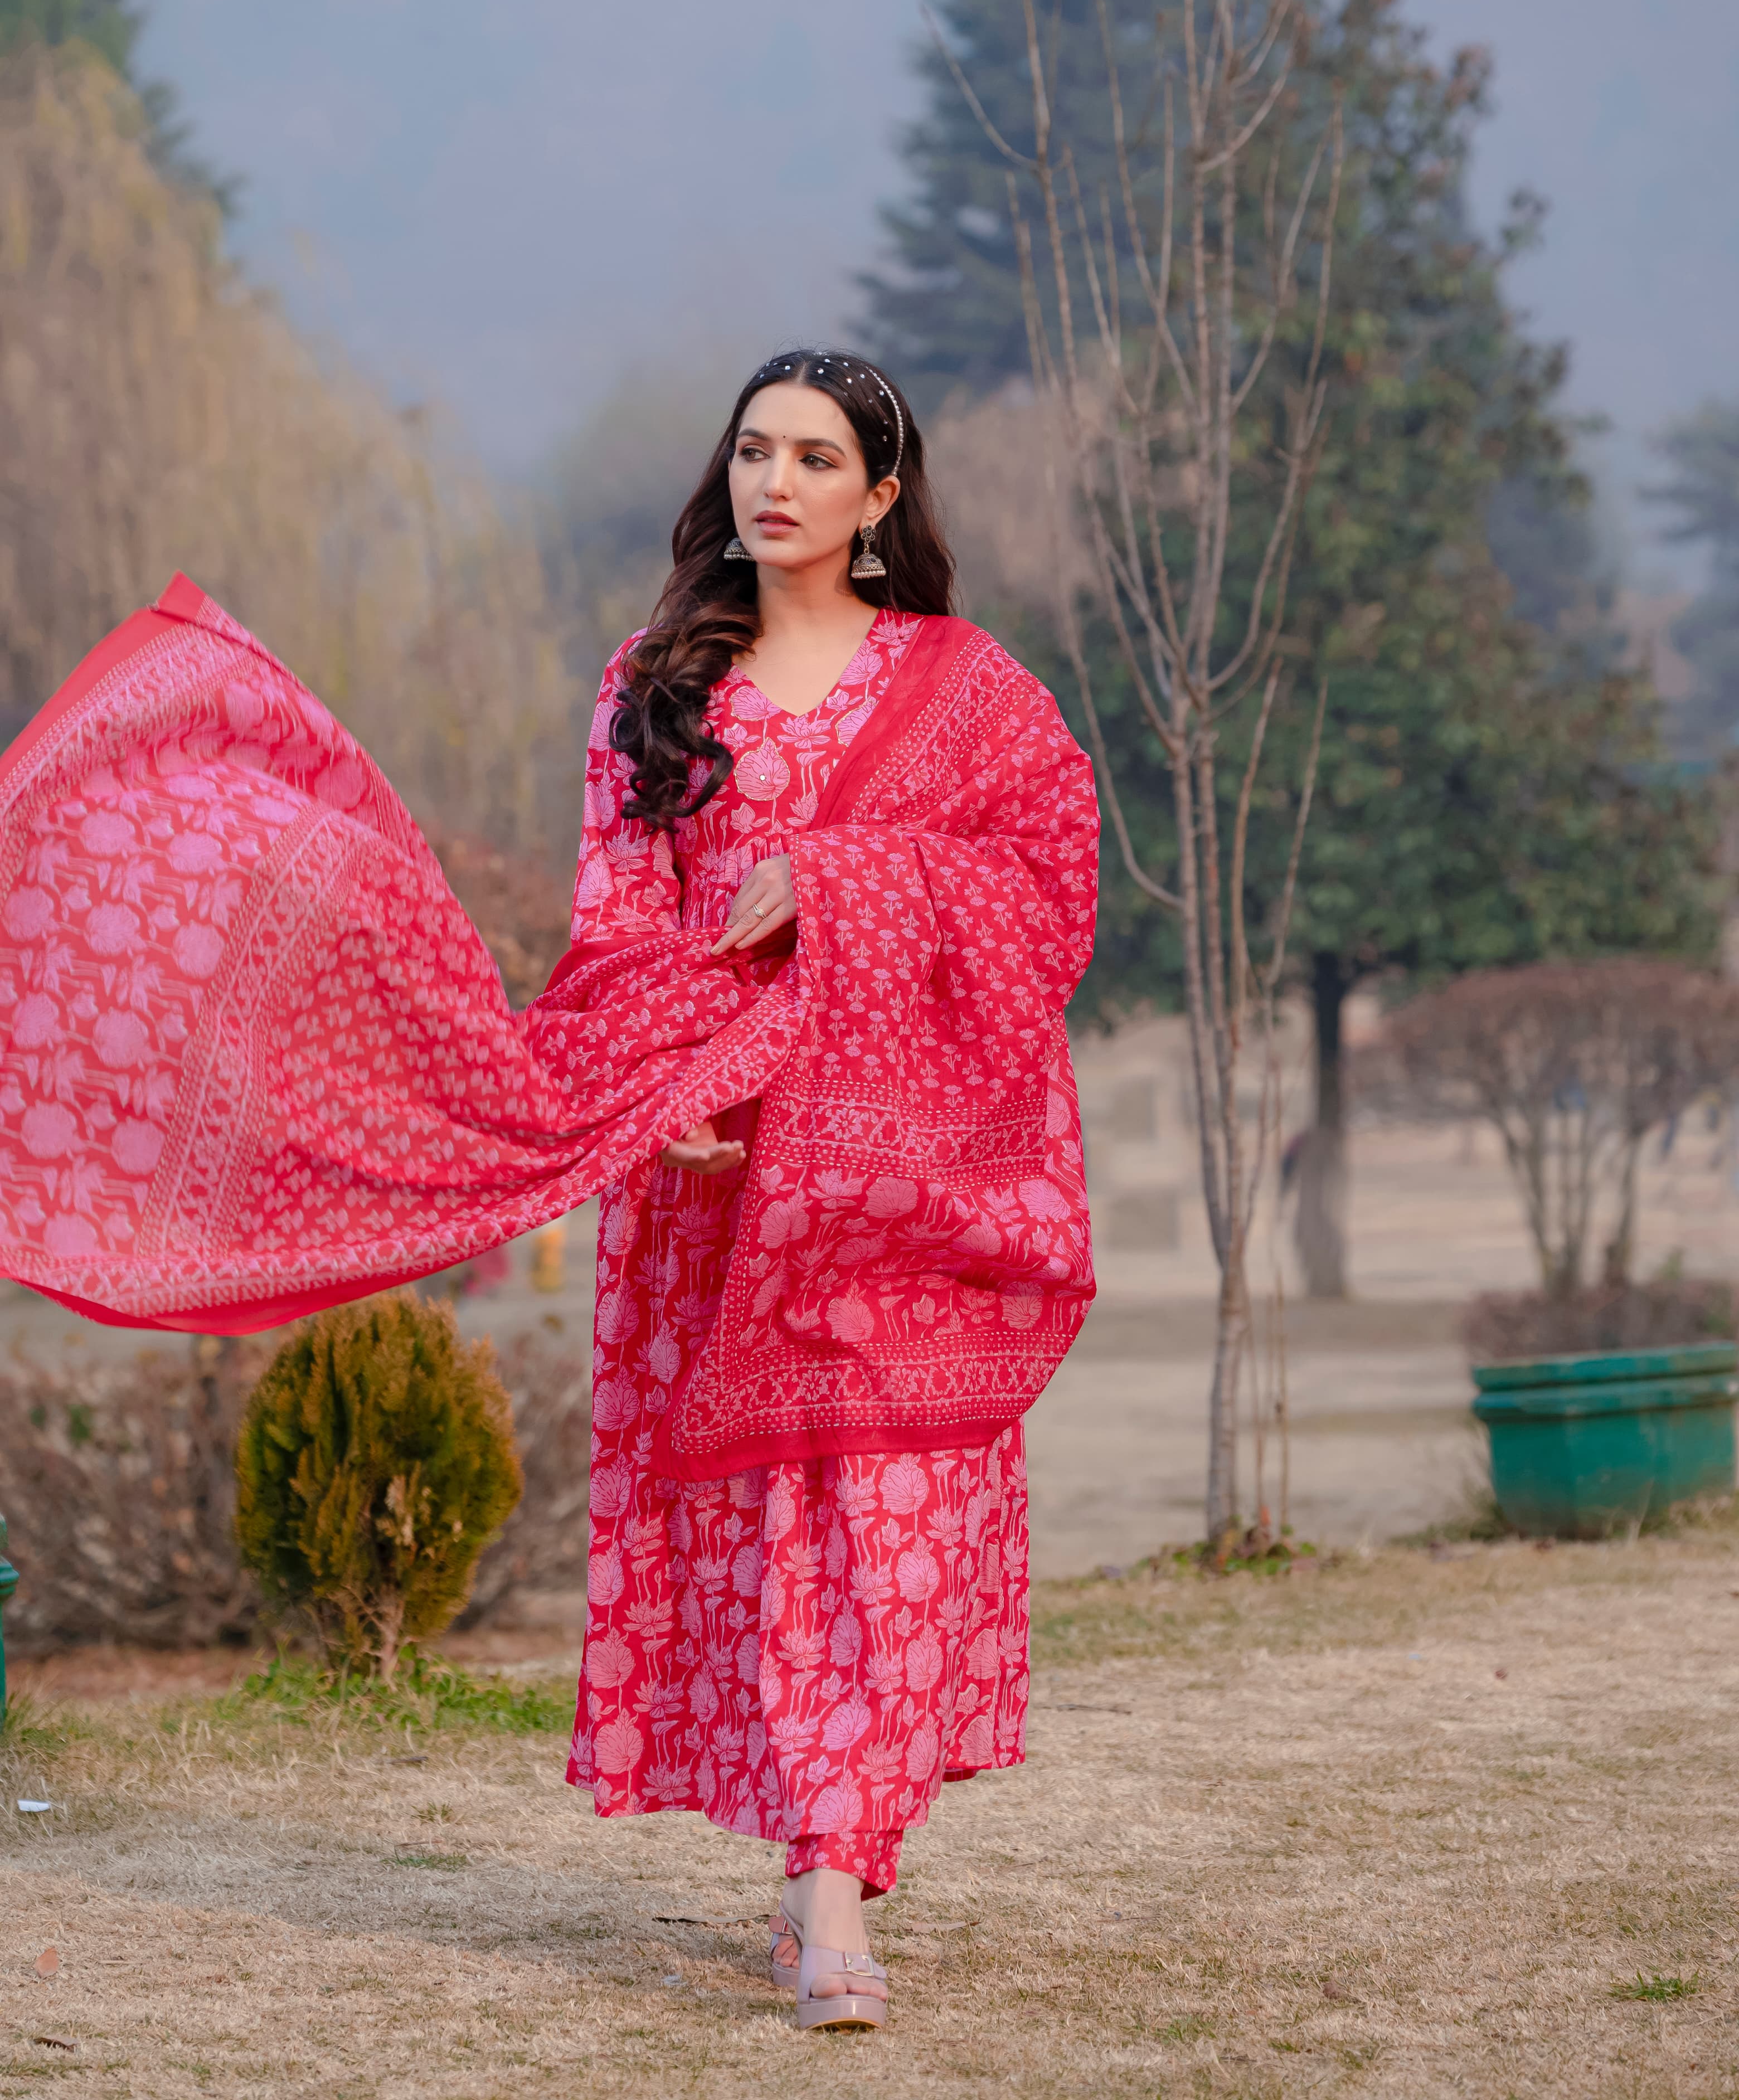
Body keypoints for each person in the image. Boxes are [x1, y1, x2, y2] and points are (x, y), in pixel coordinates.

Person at [0, 348, 1098, 2035]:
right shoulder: (654, 687)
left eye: (817, 457)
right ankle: (824, 1872)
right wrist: (652, 1105)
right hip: (711, 1166)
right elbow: (620, 932)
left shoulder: (969, 687)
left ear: (884, 498)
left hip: (895, 1173)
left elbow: (1050, 895)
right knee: (773, 1537)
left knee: (887, 1526)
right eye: (753, 451)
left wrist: (843, 877)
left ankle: (832, 1880)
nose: (776, 483)